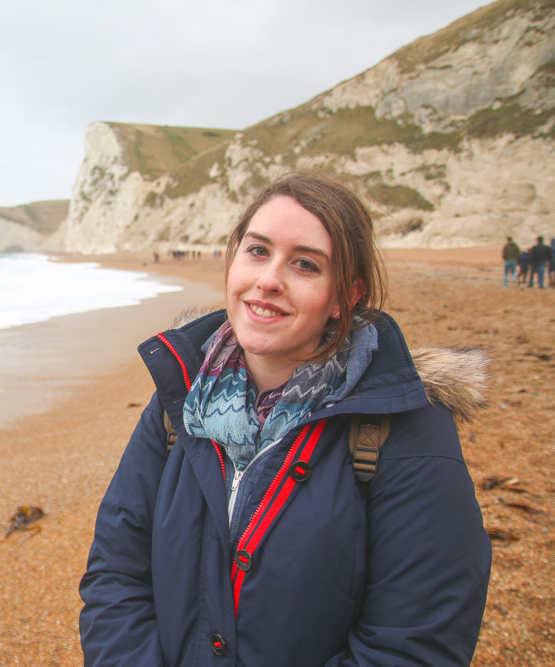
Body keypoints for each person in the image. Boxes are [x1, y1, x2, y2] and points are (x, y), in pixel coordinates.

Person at [79, 171, 491, 666]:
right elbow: (115, 574)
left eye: (305, 265)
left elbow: (416, 644)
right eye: (257, 251)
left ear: (347, 296)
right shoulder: (178, 402)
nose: (268, 280)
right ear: (232, 259)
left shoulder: (404, 427)